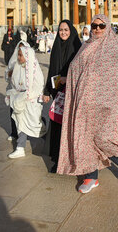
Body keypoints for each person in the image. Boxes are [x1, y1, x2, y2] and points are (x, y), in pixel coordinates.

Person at [57, 14, 118, 194]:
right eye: (94, 26)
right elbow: (77, 69)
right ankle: (91, 176)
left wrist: (109, 101)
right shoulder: (86, 46)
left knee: (103, 137)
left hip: (105, 104)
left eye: (101, 26)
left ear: (108, 27)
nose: (97, 29)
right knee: (83, 139)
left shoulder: (114, 48)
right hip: (83, 104)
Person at [42, 20, 82, 173]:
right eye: (60, 30)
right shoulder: (57, 46)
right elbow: (52, 70)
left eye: (66, 30)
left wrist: (67, 78)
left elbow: (81, 70)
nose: (63, 32)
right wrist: (47, 90)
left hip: (72, 93)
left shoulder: (77, 47)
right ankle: (58, 158)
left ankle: (68, 160)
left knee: (68, 128)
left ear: (71, 30)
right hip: (58, 93)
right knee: (57, 125)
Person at [4, 42, 47, 158]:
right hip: (20, 101)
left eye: (21, 55)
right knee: (20, 124)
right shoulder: (18, 66)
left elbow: (39, 85)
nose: (18, 58)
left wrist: (29, 95)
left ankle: (46, 136)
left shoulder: (34, 69)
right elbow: (14, 83)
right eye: (18, 55)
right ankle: (20, 147)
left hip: (31, 101)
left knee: (36, 126)